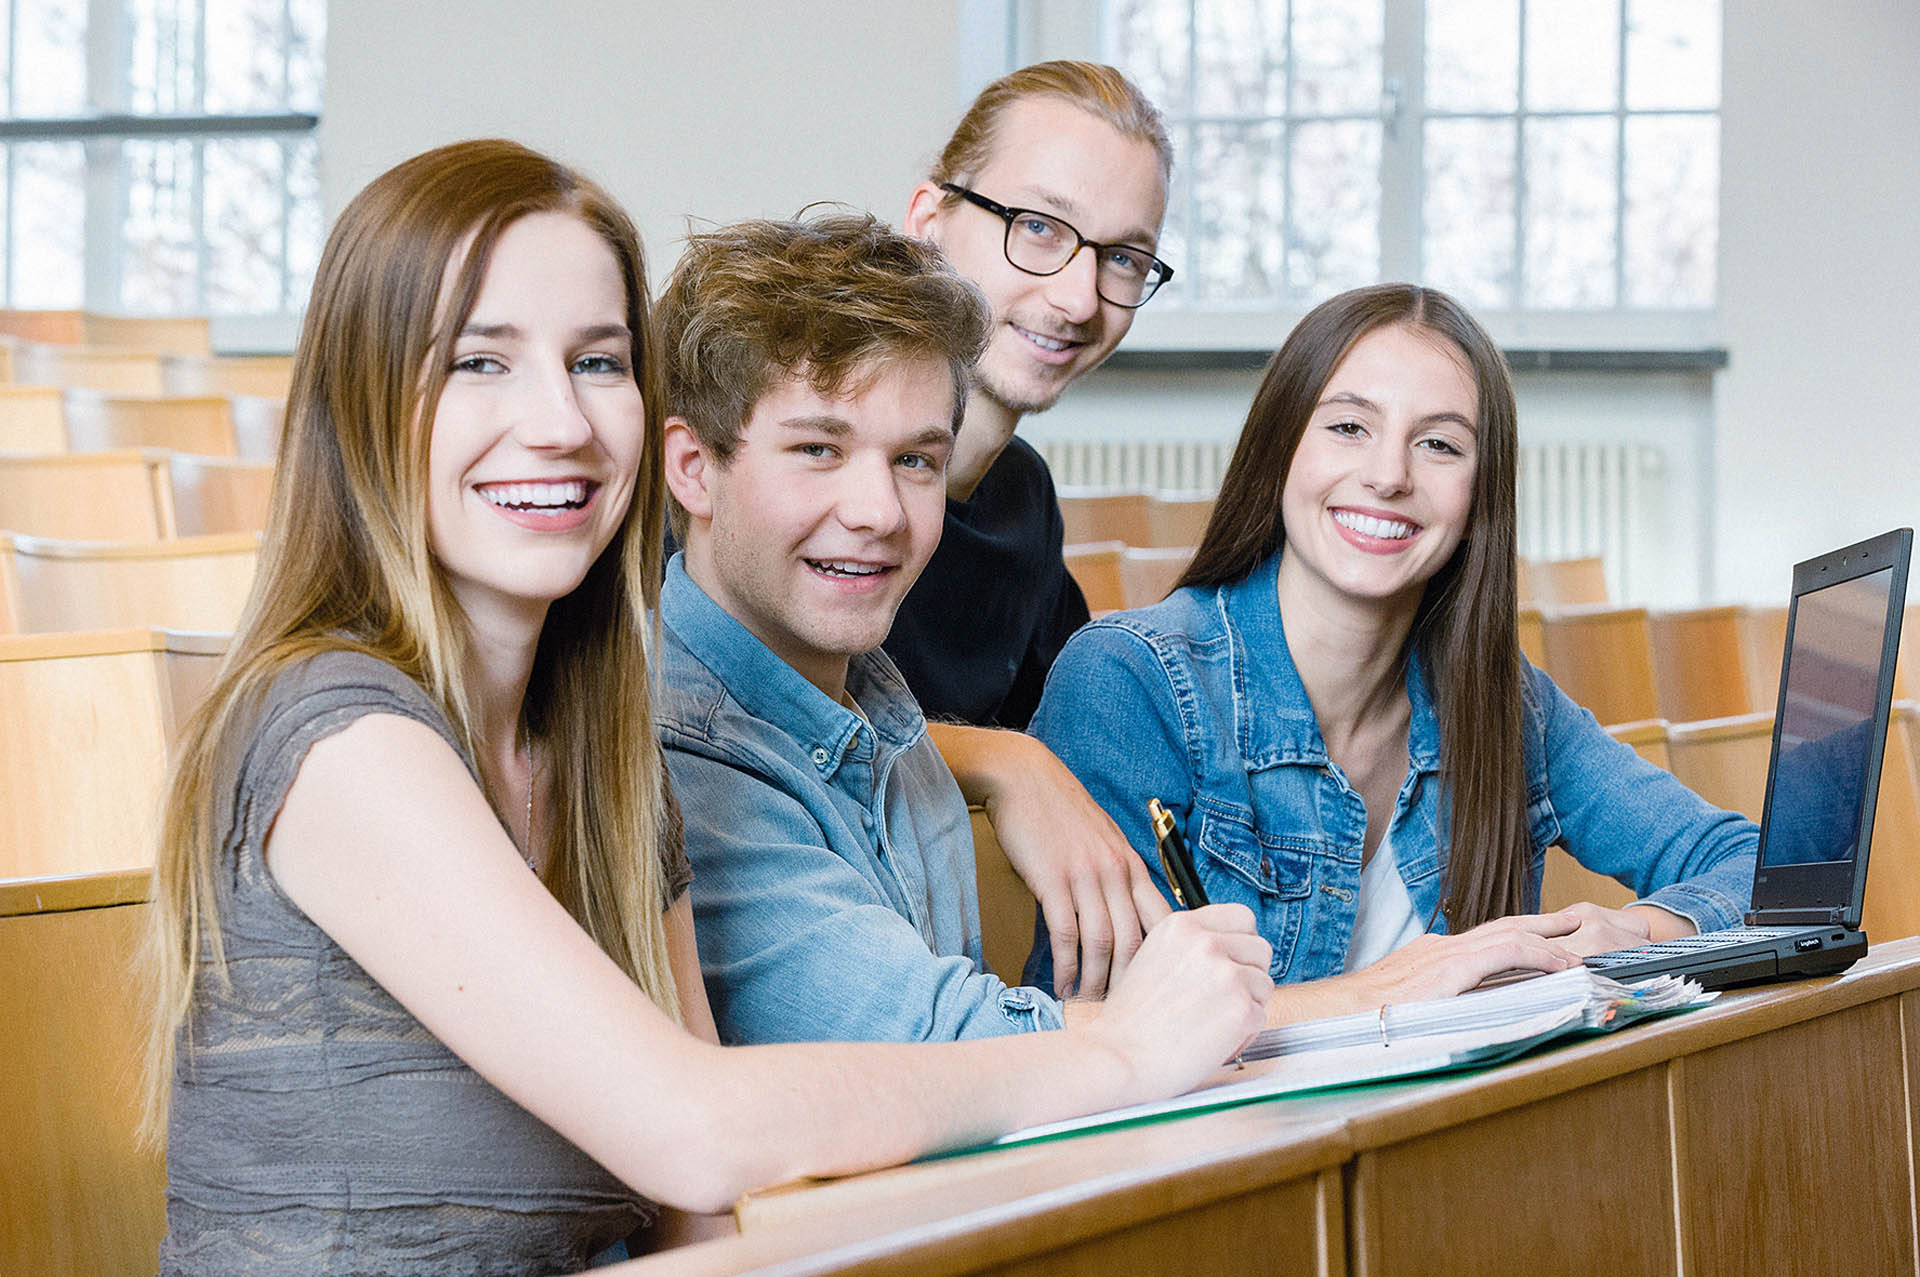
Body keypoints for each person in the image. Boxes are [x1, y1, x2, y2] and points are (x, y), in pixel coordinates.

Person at [141, 140, 1272, 1275]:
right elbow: (692, 1130)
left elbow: (702, 1227)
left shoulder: (603, 751)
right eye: (481, 363)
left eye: (597, 362)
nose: (561, 424)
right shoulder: (339, 734)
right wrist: (1121, 1055)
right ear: (368, 400)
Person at [1030, 283, 1759, 1013]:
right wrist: (1390, 990)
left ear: (1479, 503)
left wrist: (1639, 930)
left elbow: (1760, 866)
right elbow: (1099, 1029)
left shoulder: (1505, 705)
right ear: (1280, 449)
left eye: (1439, 444)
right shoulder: (1129, 680)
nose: (1388, 476)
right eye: (1349, 426)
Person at [655, 211, 1223, 1045]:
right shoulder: (683, 758)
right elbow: (941, 1047)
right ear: (694, 470)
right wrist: (1361, 1007)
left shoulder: (880, 704)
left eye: (916, 460)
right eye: (818, 449)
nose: (879, 512)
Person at [882, 58, 1184, 999]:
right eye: (1040, 229)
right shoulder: (787, 471)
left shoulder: (1023, 502)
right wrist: (996, 760)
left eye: (1123, 257)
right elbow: (724, 714)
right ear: (929, 221)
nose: (1079, 299)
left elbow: (1089, 730)